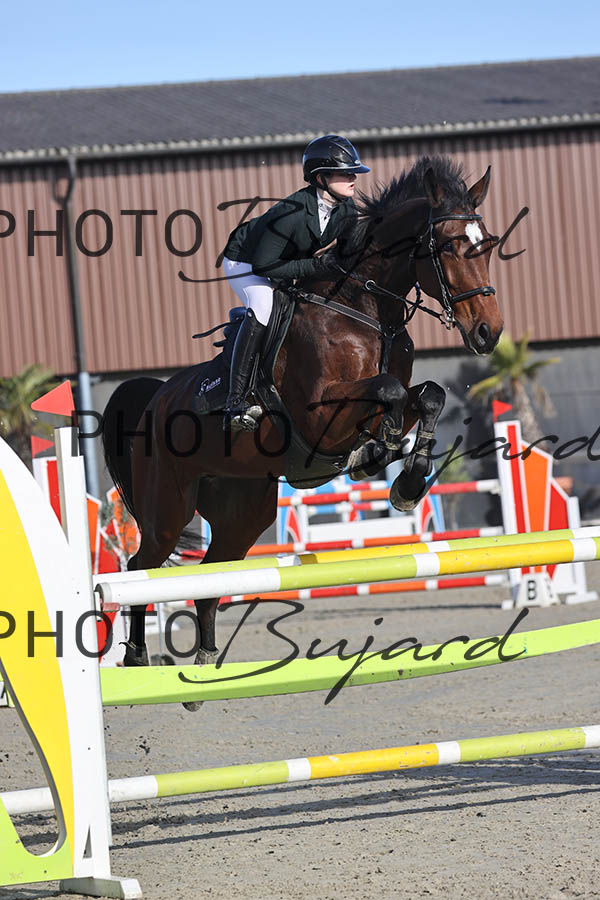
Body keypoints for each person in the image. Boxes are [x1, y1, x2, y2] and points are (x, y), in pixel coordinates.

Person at [221, 134, 370, 431]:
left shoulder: (347, 210)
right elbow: (265, 266)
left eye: (354, 172)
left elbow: (346, 257)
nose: (353, 177)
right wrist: (315, 267)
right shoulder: (292, 213)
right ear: (321, 178)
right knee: (264, 306)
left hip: (285, 261)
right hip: (246, 261)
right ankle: (235, 401)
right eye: (344, 173)